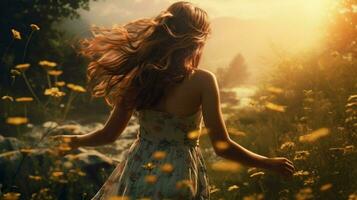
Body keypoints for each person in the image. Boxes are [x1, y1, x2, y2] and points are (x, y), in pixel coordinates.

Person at [53, 1, 295, 199]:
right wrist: (267, 163)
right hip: (180, 177)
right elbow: (222, 146)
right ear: (197, 40)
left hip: (139, 171)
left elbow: (109, 135)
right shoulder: (202, 81)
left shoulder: (141, 77)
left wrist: (74, 141)